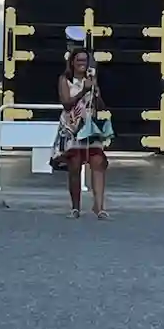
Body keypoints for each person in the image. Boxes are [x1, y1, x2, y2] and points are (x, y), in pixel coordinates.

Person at [54, 48, 111, 219]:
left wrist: (96, 92)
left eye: (85, 61)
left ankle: (99, 207)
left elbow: (100, 105)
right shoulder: (65, 80)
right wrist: (83, 91)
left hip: (90, 127)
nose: (82, 64)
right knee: (75, 166)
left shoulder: (91, 80)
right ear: (72, 62)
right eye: (78, 60)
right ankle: (75, 207)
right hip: (72, 127)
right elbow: (66, 103)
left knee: (98, 162)